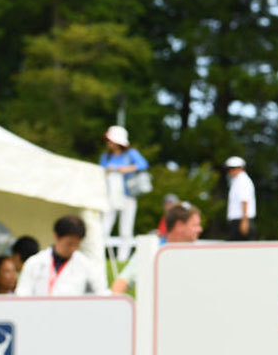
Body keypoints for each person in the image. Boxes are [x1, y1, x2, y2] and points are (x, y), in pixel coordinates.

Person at [111, 203, 203, 294]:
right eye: (195, 225)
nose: (200, 229)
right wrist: (116, 299)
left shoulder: (199, 254)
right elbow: (122, 282)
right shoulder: (151, 251)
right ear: (179, 225)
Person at [16, 215, 107, 296]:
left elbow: (101, 292)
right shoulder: (34, 262)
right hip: (38, 309)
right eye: (69, 244)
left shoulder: (85, 264)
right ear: (56, 236)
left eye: (76, 245)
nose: (73, 248)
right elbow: (22, 294)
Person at [99, 125, 149, 261]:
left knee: (126, 229)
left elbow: (143, 164)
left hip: (128, 196)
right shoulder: (106, 157)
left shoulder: (130, 154)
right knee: (104, 226)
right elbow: (100, 172)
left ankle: (122, 258)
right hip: (110, 196)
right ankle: (99, 254)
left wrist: (125, 169)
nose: (108, 143)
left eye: (110, 140)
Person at [224, 156, 257, 240]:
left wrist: (244, 221)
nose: (230, 171)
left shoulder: (242, 181)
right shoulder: (237, 180)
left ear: (240, 168)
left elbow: (244, 200)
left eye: (232, 168)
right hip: (239, 220)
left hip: (241, 220)